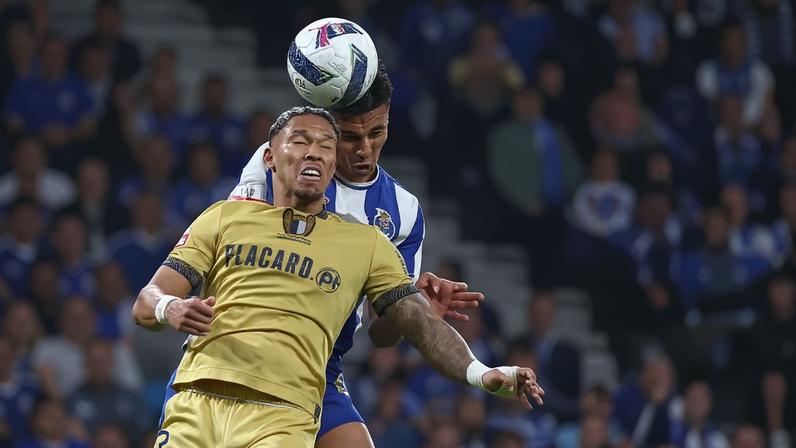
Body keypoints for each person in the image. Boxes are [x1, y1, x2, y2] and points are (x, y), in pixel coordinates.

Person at [132, 106, 545, 447]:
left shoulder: (365, 244)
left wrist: (481, 372)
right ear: (269, 158)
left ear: (334, 165)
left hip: (285, 412)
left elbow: (418, 325)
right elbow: (146, 302)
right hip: (198, 395)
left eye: (326, 146)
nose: (313, 152)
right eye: (299, 141)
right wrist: (173, 307)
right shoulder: (224, 217)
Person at [229, 69, 485, 447]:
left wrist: (410, 310)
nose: (365, 149)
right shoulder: (280, 164)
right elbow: (234, 245)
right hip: (244, 347)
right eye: (350, 137)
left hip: (319, 365)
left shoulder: (403, 211)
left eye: (376, 132)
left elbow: (381, 335)